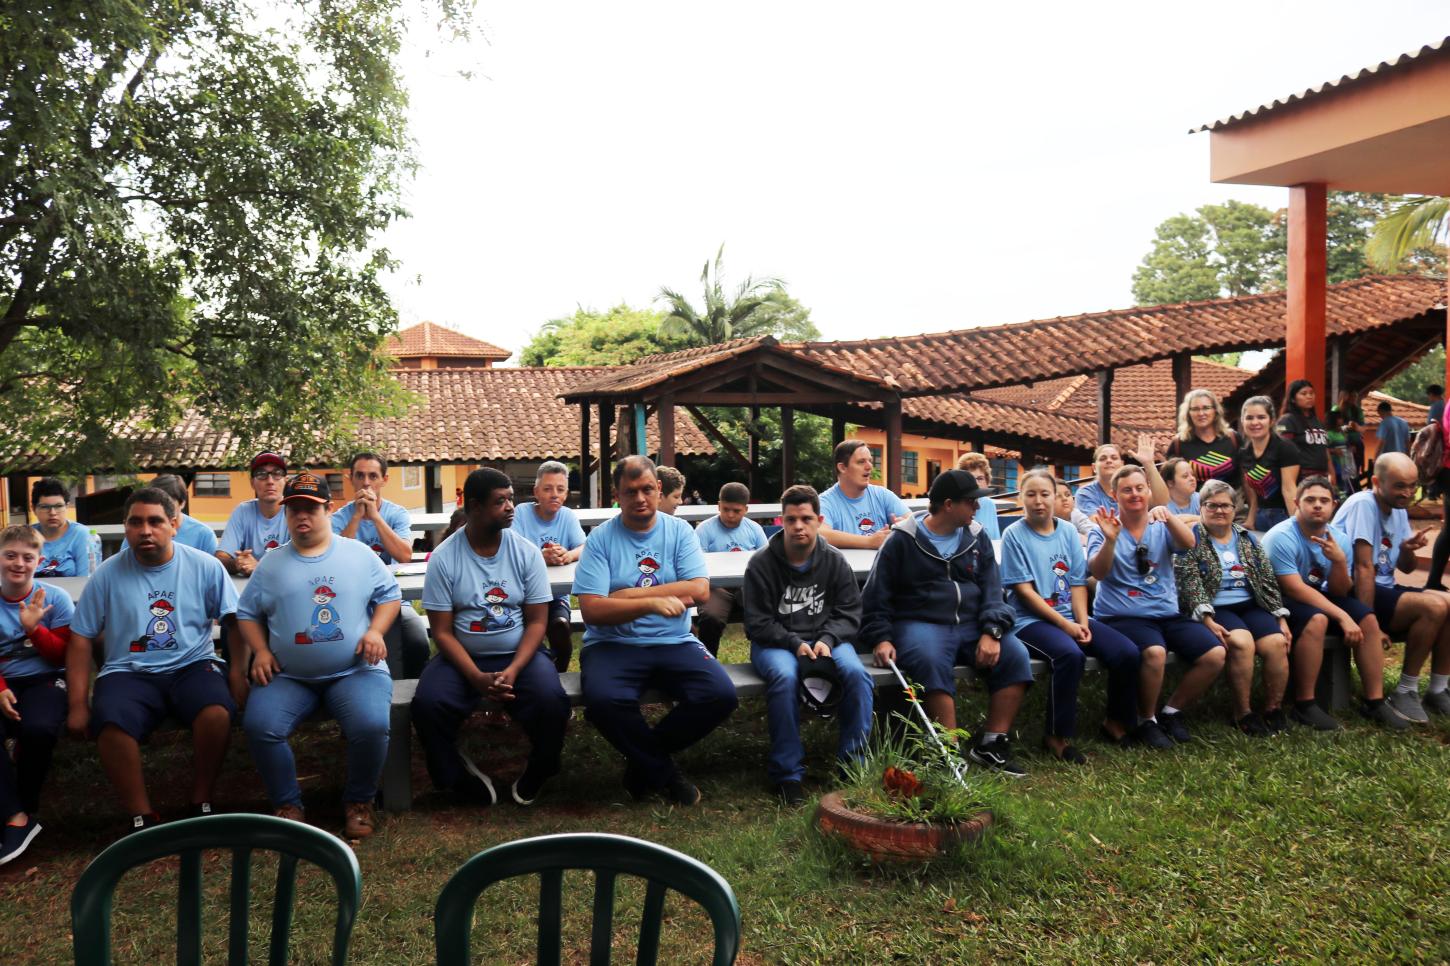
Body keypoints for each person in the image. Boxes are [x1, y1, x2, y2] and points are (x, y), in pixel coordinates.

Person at [67, 487, 246, 833]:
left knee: (216, 712)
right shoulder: (107, 574)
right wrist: (77, 704)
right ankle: (142, 816)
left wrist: (238, 672)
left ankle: (201, 800)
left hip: (192, 665)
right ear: (126, 527)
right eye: (135, 522)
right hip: (128, 671)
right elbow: (80, 637)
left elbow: (233, 621)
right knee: (111, 722)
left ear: (174, 525)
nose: (145, 530)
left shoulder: (204, 566)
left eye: (155, 521)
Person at [236, 473, 401, 839]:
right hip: (289, 675)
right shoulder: (271, 564)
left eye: (310, 508)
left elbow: (390, 596)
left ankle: (359, 802)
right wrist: (260, 650)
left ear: (329, 509)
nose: (301, 516)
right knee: (261, 726)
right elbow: (246, 613)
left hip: (354, 670)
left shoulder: (358, 554)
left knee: (371, 725)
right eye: (293, 509)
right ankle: (288, 805)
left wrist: (375, 631)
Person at [573, 456, 737, 806]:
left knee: (720, 694)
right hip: (613, 644)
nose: (640, 498)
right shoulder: (600, 539)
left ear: (659, 488)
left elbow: (699, 590)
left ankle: (642, 764)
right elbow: (593, 610)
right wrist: (651, 603)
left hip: (673, 640)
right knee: (603, 701)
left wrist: (627, 595)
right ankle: (665, 774)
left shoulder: (679, 532)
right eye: (630, 492)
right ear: (616, 495)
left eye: (647, 489)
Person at [412, 467, 571, 807]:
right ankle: (455, 776)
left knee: (551, 700)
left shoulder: (526, 552)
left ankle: (541, 767)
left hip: (520, 655)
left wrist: (513, 669)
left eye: (511, 499)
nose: (511, 507)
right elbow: (441, 631)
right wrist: (475, 676)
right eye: (500, 501)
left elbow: (537, 622)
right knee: (428, 704)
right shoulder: (445, 557)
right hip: (462, 659)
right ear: (475, 506)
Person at [862, 469, 1032, 776]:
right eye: (971, 501)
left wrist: (993, 630)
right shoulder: (902, 540)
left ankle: (991, 743)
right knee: (929, 659)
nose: (977, 506)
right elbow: (876, 596)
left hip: (972, 623)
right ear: (949, 505)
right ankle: (947, 752)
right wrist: (881, 637)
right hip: (919, 622)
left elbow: (994, 591)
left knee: (1016, 655)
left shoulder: (976, 536)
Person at [1001, 469, 1140, 761]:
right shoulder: (1013, 534)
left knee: (1126, 652)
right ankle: (1057, 735)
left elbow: (1077, 583)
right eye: (1031, 494)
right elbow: (1024, 592)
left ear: (1056, 497)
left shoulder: (1067, 531)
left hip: (1070, 616)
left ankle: (1115, 722)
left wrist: (1083, 622)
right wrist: (1067, 626)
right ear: (1020, 498)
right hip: (1029, 621)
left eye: (1045, 494)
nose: (1039, 501)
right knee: (1069, 655)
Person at [743, 485, 870, 804]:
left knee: (857, 674)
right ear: (781, 521)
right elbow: (757, 623)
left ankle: (853, 765)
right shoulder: (761, 563)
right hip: (776, 642)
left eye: (806, 519)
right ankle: (787, 774)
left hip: (827, 638)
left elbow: (849, 612)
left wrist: (827, 639)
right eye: (791, 519)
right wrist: (794, 643)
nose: (798, 526)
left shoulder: (835, 560)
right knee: (784, 677)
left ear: (819, 521)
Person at [1087, 465, 1225, 749]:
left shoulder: (1160, 524)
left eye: (1140, 488)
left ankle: (1171, 712)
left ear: (1149, 491)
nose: (1135, 494)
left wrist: (1169, 516)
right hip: (1123, 615)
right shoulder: (1103, 528)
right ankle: (1145, 719)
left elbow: (1189, 543)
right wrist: (1110, 541)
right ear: (1114, 495)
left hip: (1166, 613)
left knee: (1214, 654)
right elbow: (1098, 573)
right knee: (1155, 652)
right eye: (1127, 490)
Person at [1262, 476, 1407, 730]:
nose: (1317, 505)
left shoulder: (1339, 539)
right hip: (1276, 600)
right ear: (1296, 503)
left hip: (1314, 596)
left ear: (1334, 506)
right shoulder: (1281, 536)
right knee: (1317, 619)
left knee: (1367, 617)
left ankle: (1374, 701)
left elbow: (1340, 591)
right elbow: (1294, 588)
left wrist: (1339, 562)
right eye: (1310, 500)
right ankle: (1304, 705)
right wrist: (1342, 616)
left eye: (1324, 500)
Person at [1333, 453, 1450, 723]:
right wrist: (1370, 622)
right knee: (1433, 607)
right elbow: (1363, 567)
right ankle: (1405, 691)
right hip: (1351, 591)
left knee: (1447, 603)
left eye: (1412, 486)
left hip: (1384, 587)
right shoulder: (1363, 504)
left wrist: (1407, 550)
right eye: (1400, 486)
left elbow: (1406, 568)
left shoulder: (1398, 508)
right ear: (1377, 482)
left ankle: (1438, 688)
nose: (1407, 493)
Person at [1173, 481, 1291, 736]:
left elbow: (1267, 579)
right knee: (1242, 643)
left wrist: (1280, 616)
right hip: (1215, 607)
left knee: (1277, 642)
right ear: (1201, 508)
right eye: (1212, 505)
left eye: (1225, 505)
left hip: (1249, 605)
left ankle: (1273, 709)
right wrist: (1206, 618)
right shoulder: (1191, 537)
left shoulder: (1247, 538)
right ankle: (1243, 713)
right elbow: (1188, 582)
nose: (1219, 510)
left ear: (1234, 509)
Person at [0, 526, 75, 865]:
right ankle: (14, 815)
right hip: (4, 682)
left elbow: (62, 656)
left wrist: (34, 628)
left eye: (27, 557)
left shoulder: (55, 598)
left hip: (45, 679)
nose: (19, 563)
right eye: (10, 555)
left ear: (39, 561)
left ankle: (24, 807)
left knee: (39, 729)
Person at [510, 461, 588, 673]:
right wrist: (540, 556)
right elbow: (511, 549)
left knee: (560, 624)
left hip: (556, 595)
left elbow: (584, 546)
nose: (554, 494)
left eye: (560, 489)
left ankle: (560, 667)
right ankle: (536, 664)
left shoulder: (567, 516)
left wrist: (568, 555)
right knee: (524, 631)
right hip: (524, 595)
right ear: (536, 492)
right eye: (547, 489)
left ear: (566, 494)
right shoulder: (521, 513)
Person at [694, 482, 768, 657]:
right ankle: (708, 659)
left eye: (736, 511)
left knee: (762, 611)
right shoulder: (704, 530)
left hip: (747, 585)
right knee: (711, 616)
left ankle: (762, 655)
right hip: (715, 587)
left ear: (746, 509)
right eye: (725, 509)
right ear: (718, 506)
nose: (730, 515)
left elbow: (766, 563)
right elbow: (697, 564)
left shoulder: (754, 530)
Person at [819, 440, 909, 549]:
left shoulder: (883, 495)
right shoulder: (825, 502)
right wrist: (870, 542)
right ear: (842, 467)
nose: (869, 466)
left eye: (870, 461)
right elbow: (820, 534)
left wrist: (907, 526)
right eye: (861, 462)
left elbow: (915, 524)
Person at [217, 452, 291, 576]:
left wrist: (260, 567)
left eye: (277, 474)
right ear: (252, 483)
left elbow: (304, 560)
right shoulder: (243, 511)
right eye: (261, 474)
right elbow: (220, 558)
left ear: (286, 481)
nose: (270, 481)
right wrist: (237, 563)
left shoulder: (295, 511)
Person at [1237, 395, 1300, 533]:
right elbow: (1254, 493)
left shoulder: (1285, 448)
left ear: (1271, 421)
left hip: (1284, 516)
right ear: (1242, 421)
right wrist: (1251, 519)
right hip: (1260, 517)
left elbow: (1289, 490)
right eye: (1249, 418)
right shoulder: (1244, 453)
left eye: (1261, 417)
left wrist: (1296, 527)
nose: (1255, 422)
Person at [1073, 437, 1168, 517]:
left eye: (1114, 458)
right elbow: (1098, 523)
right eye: (1103, 458)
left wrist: (1149, 464)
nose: (1109, 461)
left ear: (1122, 464)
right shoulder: (1085, 493)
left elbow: (1162, 502)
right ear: (1094, 467)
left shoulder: (1133, 489)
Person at [1168, 388, 1240, 488]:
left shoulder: (1233, 438)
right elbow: (1169, 481)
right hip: (1193, 498)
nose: (1201, 413)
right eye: (1195, 409)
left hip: (1232, 497)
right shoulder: (1178, 444)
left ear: (1215, 410)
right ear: (1188, 413)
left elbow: (1245, 475)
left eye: (1206, 408)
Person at [1275, 380, 1334, 491]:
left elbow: (1324, 450)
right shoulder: (1287, 420)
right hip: (1302, 478)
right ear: (1293, 399)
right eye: (1304, 393)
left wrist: (1332, 473)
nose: (1309, 396)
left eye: (1311, 393)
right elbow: (1284, 451)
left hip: (1322, 477)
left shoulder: (1317, 421)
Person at [29, 478, 92, 577]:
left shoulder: (81, 535)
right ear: (33, 508)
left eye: (58, 506)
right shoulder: (26, 536)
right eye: (45, 507)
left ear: (67, 506)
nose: (52, 513)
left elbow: (87, 579)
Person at [149, 474, 219, 555]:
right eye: (155, 502)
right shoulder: (142, 530)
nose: (160, 508)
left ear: (182, 503)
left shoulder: (203, 534)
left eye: (168, 503)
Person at [954, 453, 1001, 540]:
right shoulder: (954, 505)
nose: (976, 483)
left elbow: (995, 539)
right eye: (970, 478)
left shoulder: (989, 504)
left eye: (980, 478)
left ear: (987, 481)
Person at [1330, 390, 1367, 483]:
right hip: (1340, 442)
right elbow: (1331, 424)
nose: (1353, 399)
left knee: (1354, 471)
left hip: (1355, 442)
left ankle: (1353, 484)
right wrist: (1345, 428)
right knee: (1341, 470)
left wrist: (1357, 427)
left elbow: (1363, 428)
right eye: (1351, 396)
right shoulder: (1336, 409)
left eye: (1355, 397)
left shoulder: (1357, 410)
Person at [1160, 458, 1201, 522]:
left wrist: (1190, 518)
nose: (1192, 478)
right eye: (1185, 476)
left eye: (1193, 475)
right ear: (1170, 483)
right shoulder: (1162, 505)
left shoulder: (1201, 499)